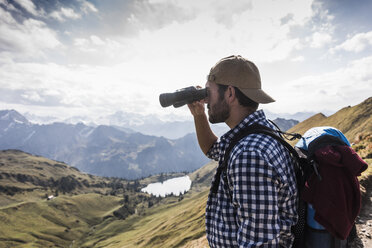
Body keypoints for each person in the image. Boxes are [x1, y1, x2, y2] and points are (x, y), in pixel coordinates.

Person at [187, 55, 298, 247]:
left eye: (209, 91)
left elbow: (260, 244)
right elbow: (213, 149)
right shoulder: (258, 132)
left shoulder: (249, 155)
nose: (205, 100)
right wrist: (199, 114)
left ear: (230, 93)